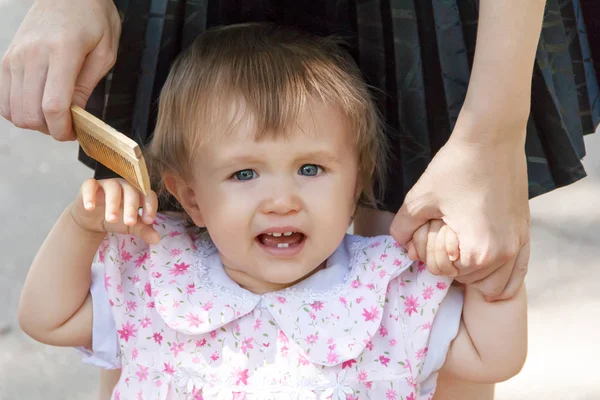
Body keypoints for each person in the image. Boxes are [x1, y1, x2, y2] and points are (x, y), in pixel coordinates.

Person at [3, 0, 598, 398]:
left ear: (359, 181)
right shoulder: (162, 279)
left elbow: (493, 357)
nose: (281, 198)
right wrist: (84, 226)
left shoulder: (384, 288)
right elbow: (45, 317)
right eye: (244, 175)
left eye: (310, 169)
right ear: (189, 196)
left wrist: (478, 268)